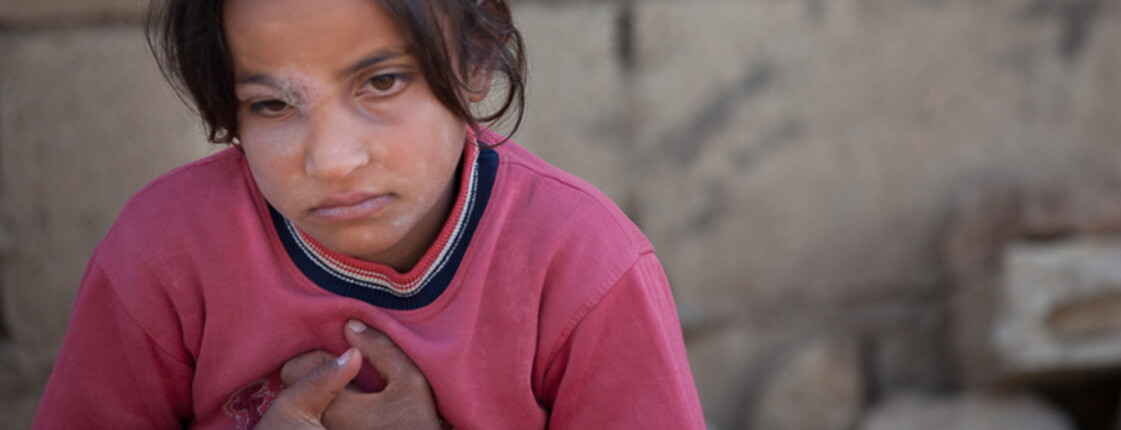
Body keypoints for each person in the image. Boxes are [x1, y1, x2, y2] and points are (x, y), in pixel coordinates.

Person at [33, 0, 705, 428]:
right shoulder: (163, 252)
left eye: (382, 82)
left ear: (476, 60)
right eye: (272, 104)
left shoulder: (584, 267)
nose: (330, 159)